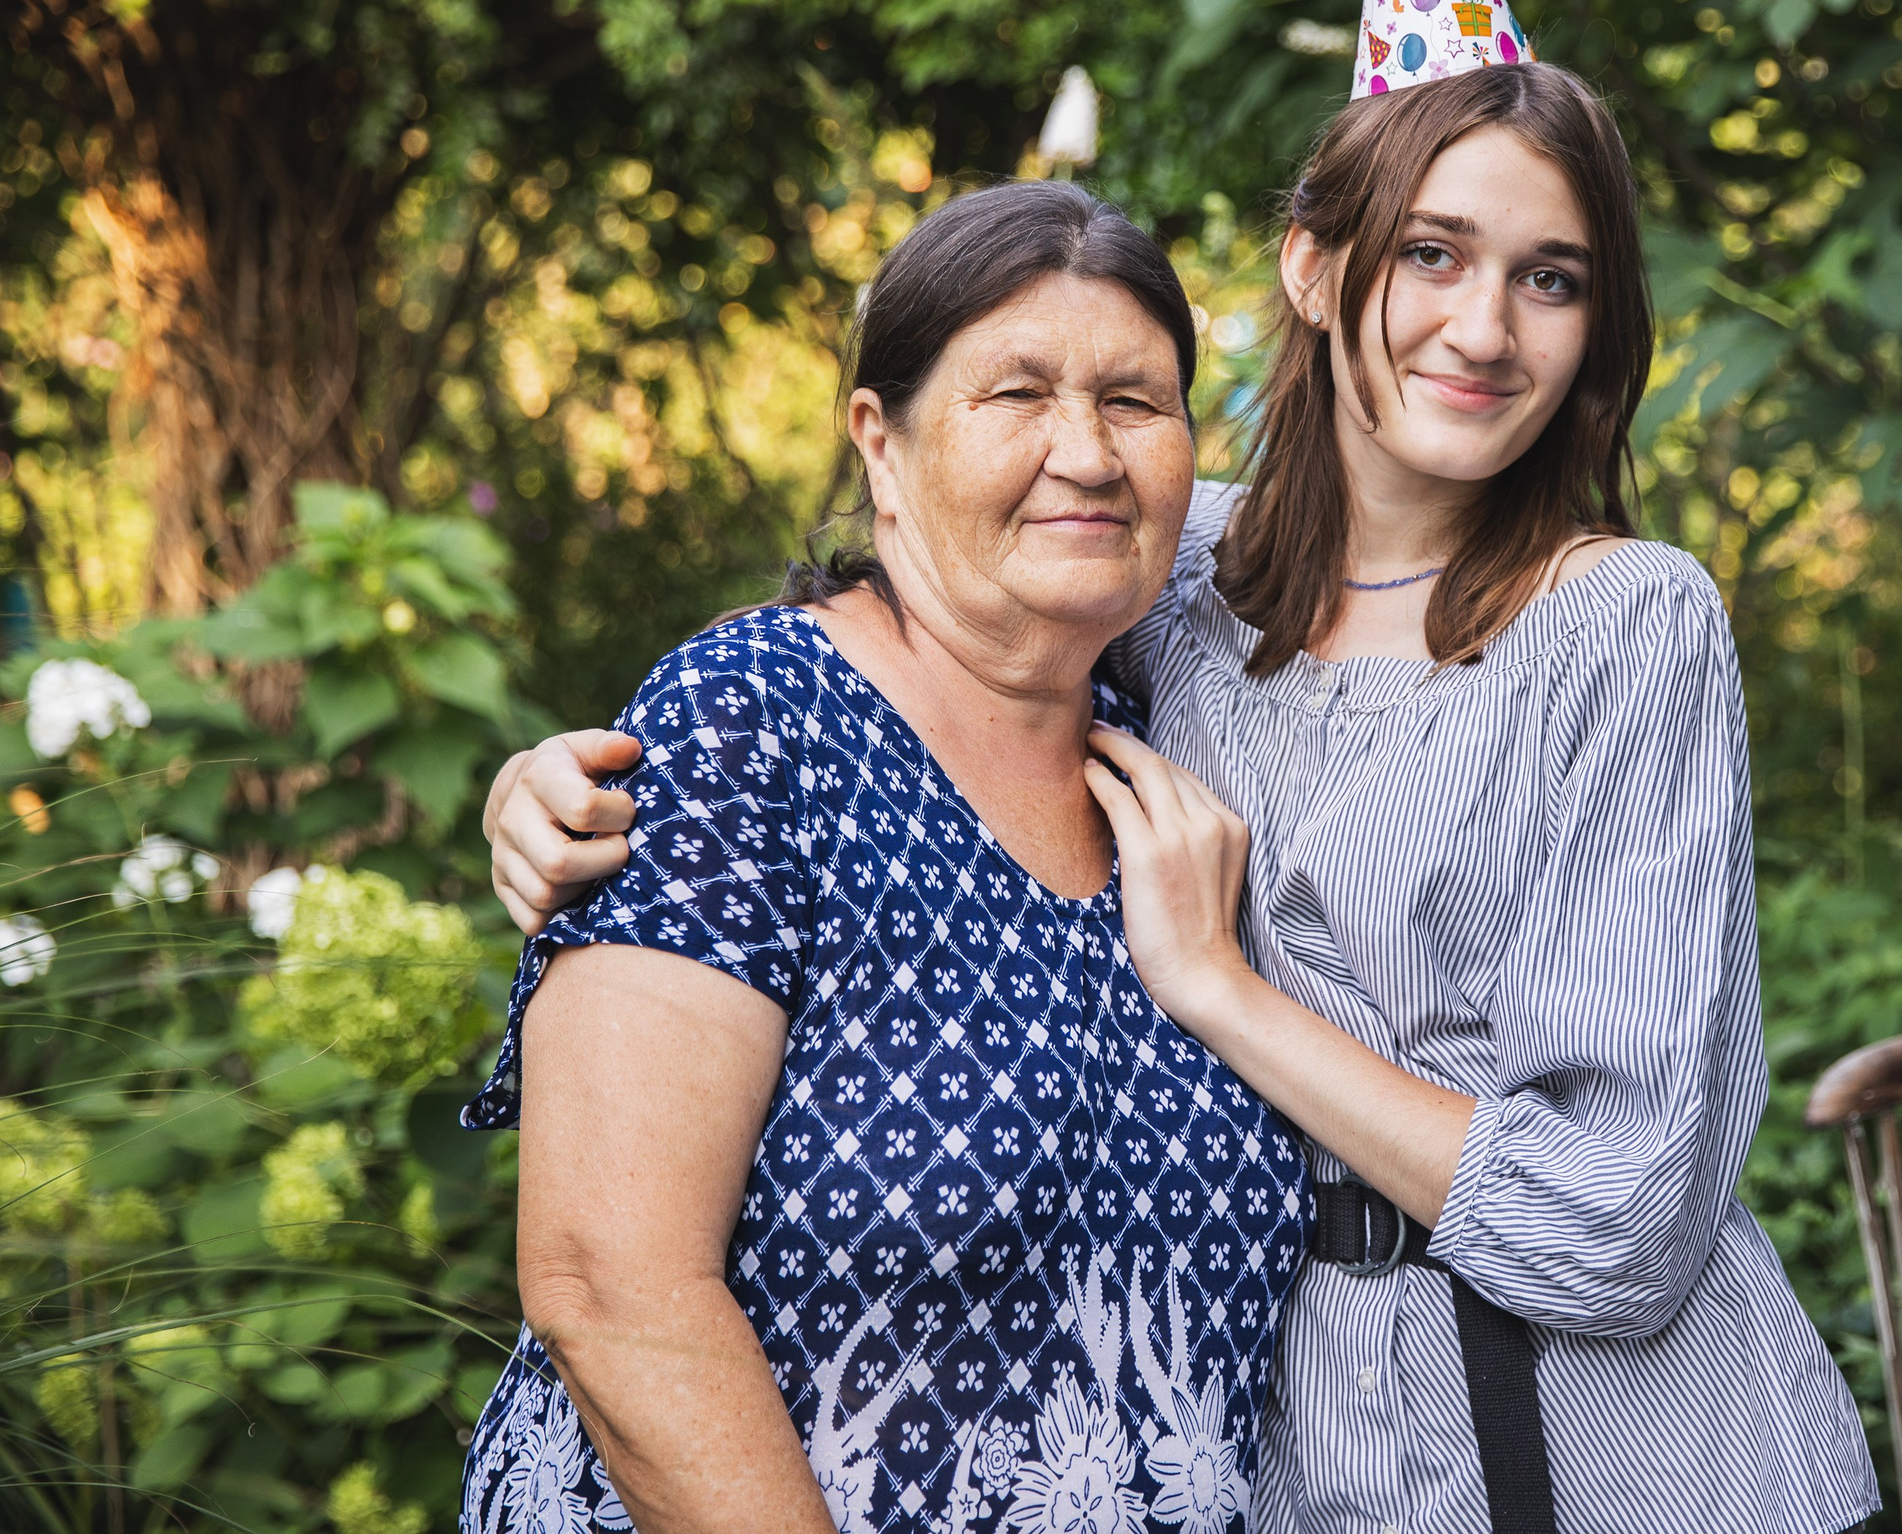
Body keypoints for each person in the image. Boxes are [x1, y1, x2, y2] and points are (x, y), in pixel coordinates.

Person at [485, 0, 1880, 1531]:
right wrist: (572, 778)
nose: (1484, 326)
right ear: (1313, 264)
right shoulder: (1172, 571)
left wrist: (1223, 993)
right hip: (1307, 1461)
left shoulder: (1624, 625)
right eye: (1432, 252)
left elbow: (1617, 1229)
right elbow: (912, 616)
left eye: (1551, 279)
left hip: (1606, 1458)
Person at [456, 182, 1312, 1534]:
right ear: (882, 441)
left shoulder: (1185, 760)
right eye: (1015, 394)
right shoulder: (751, 725)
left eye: (1137, 403)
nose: (1085, 452)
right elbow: (609, 1285)